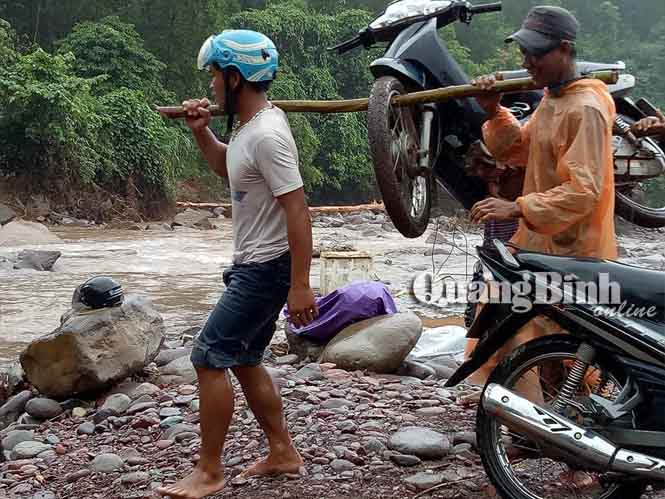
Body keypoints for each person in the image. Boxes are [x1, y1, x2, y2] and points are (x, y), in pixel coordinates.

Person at [157, 30, 317, 499]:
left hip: (266, 268)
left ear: (236, 76)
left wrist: (301, 285)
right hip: (258, 264)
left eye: (214, 75)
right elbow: (229, 167)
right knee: (245, 358)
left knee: (208, 357)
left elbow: (298, 208)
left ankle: (209, 471)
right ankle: (282, 451)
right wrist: (201, 131)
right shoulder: (250, 129)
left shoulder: (268, 135)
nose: (209, 85)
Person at [467, 5, 618, 391]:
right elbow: (517, 149)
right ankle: (523, 420)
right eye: (524, 53)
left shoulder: (585, 108)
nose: (527, 61)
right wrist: (495, 111)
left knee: (559, 340)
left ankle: (546, 426)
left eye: (536, 52)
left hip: (575, 246)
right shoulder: (554, 99)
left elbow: (584, 191)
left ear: (564, 49)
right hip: (538, 240)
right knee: (516, 322)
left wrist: (517, 206)